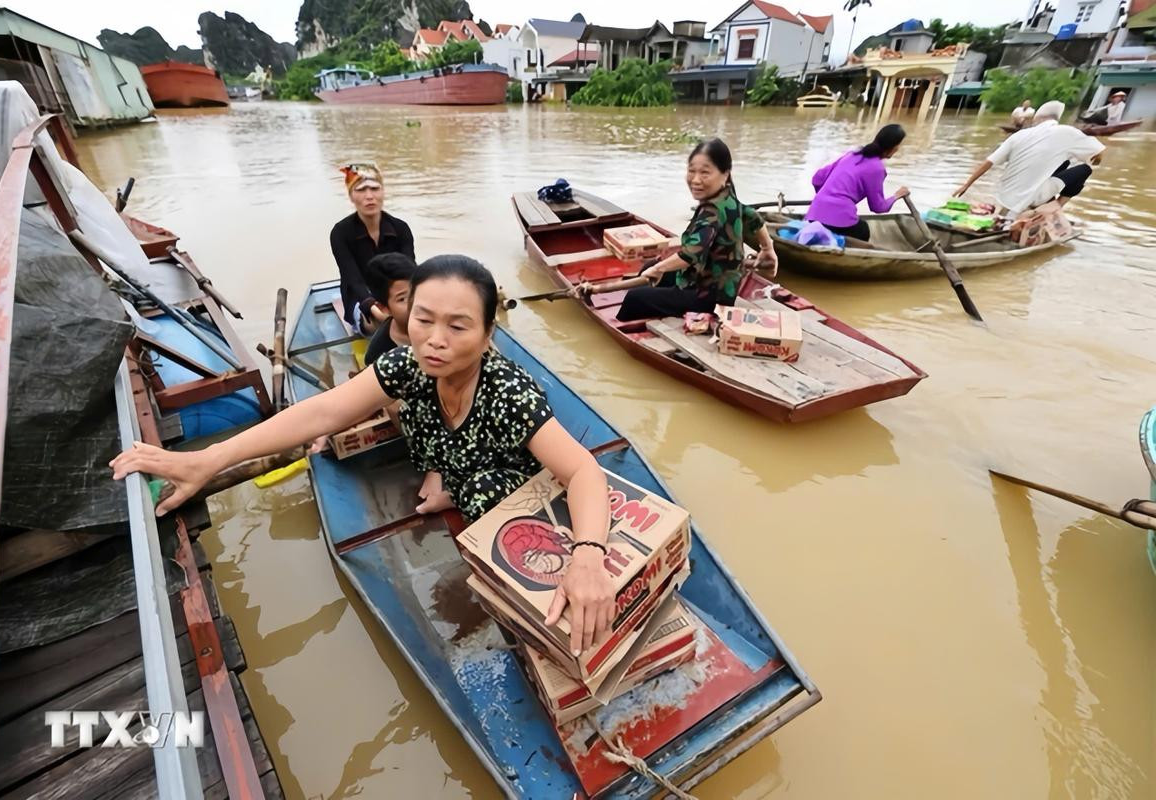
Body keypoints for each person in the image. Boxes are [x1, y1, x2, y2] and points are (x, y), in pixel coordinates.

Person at [111, 255, 616, 654]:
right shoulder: (412, 363)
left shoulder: (507, 390)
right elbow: (321, 414)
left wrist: (589, 556)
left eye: (458, 327)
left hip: (506, 481)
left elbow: (583, 472)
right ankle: (445, 475)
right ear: (406, 315)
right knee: (410, 413)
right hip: (452, 456)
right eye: (424, 319)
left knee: (484, 494)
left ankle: (459, 489)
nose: (436, 340)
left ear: (488, 335)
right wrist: (208, 460)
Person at [611, 138, 777, 322]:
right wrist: (767, 248)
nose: (695, 180)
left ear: (725, 174)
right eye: (691, 171)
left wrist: (659, 268)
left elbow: (690, 255)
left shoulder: (711, 212)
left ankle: (620, 326)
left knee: (636, 297)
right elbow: (753, 217)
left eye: (705, 173)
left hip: (708, 296)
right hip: (713, 282)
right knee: (650, 267)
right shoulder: (727, 197)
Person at [954, 100, 1105, 217]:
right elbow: (1098, 153)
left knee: (1063, 161)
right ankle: (1055, 206)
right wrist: (1085, 158)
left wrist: (966, 185)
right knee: (1084, 168)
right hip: (1032, 197)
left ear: (1036, 118)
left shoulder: (1019, 135)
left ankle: (1046, 202)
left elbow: (989, 162)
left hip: (1003, 195)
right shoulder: (1067, 132)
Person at [330, 162, 415, 332]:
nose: (369, 196)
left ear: (383, 192)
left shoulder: (401, 228)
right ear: (351, 196)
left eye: (375, 189)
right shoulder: (340, 233)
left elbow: (410, 272)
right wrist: (374, 308)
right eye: (361, 190)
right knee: (379, 324)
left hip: (396, 294)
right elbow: (353, 279)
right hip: (359, 296)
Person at [804, 124, 909, 242]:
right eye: (898, 146)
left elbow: (817, 179)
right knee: (864, 230)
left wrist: (826, 199)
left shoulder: (853, 153)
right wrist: (897, 196)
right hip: (837, 220)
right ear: (893, 148)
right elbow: (878, 207)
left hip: (813, 215)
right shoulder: (877, 168)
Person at [363, 252, 415, 366]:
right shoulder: (378, 356)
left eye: (417, 292)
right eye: (402, 299)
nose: (415, 302)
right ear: (384, 308)